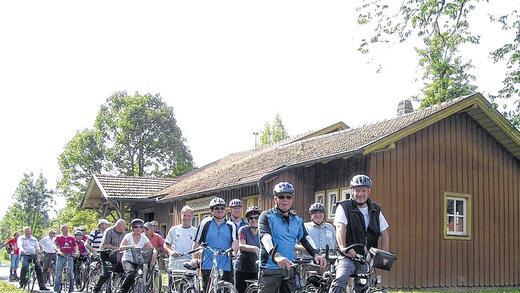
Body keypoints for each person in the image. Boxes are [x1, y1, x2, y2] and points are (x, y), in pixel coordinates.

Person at [258, 182, 327, 293]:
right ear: (275, 199)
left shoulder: (297, 219)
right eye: (281, 196)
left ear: (292, 199)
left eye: (288, 197)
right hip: (270, 269)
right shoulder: (266, 216)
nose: (285, 199)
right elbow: (265, 237)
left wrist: (316, 254)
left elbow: (305, 238)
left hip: (289, 268)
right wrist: (276, 255)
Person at [328, 174, 390, 293]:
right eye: (357, 190)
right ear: (352, 191)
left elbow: (384, 232)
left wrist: (384, 253)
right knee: (341, 278)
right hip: (347, 256)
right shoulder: (344, 206)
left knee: (363, 286)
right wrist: (344, 248)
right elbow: (341, 227)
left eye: (363, 190)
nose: (360, 194)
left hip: (365, 257)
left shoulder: (375, 209)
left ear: (369, 191)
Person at [193, 197, 238, 291]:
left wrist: (234, 252)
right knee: (207, 289)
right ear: (211, 210)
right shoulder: (205, 223)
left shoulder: (231, 225)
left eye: (222, 208)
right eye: (217, 208)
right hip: (208, 263)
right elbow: (197, 242)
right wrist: (194, 259)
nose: (220, 210)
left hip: (225, 264)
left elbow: (235, 241)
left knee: (226, 289)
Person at [118, 218, 156, 293]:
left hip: (139, 260)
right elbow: (120, 248)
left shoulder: (144, 237)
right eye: (136, 227)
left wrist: (154, 253)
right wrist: (130, 246)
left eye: (140, 227)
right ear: (132, 228)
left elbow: (151, 247)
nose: (138, 229)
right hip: (128, 259)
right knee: (131, 274)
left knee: (145, 273)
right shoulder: (128, 236)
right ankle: (122, 291)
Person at [164, 205, 197, 289]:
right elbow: (166, 244)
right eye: (184, 215)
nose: (186, 218)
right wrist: (171, 252)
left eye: (189, 215)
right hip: (175, 264)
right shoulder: (174, 229)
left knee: (189, 288)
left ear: (192, 217)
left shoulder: (195, 231)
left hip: (189, 264)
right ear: (181, 215)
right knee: (175, 288)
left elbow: (199, 246)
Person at [93, 219, 127, 293]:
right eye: (124, 226)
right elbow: (105, 245)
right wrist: (116, 248)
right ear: (119, 225)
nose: (125, 227)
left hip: (117, 255)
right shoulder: (109, 231)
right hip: (106, 254)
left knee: (122, 271)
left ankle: (113, 288)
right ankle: (96, 289)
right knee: (106, 273)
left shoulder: (123, 233)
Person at [235, 206, 262, 293]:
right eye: (251, 218)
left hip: (256, 267)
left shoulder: (262, 232)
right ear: (247, 220)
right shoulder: (243, 230)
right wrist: (255, 248)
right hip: (242, 267)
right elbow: (242, 245)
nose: (254, 220)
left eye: (256, 218)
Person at [18, 226, 49, 291]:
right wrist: (22, 250)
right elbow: (20, 245)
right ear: (24, 232)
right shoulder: (21, 238)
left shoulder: (34, 239)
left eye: (29, 232)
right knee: (24, 266)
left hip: (33, 255)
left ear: (30, 232)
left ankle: (42, 286)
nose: (28, 233)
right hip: (25, 254)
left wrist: (38, 258)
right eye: (26, 232)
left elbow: (37, 249)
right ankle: (21, 283)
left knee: (39, 269)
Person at [54, 224, 79, 293]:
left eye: (66, 228)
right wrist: (58, 251)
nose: (65, 230)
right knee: (58, 273)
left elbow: (75, 246)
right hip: (61, 256)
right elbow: (54, 245)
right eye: (64, 228)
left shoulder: (71, 238)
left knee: (70, 272)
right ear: (61, 230)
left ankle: (71, 288)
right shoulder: (58, 237)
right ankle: (57, 289)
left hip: (70, 255)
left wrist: (76, 252)